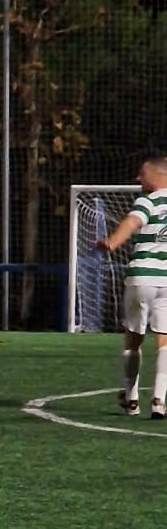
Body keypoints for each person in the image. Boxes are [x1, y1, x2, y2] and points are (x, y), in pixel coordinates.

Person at [95, 149, 167, 419]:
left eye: (143, 173)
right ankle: (159, 400)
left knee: (133, 339)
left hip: (141, 277)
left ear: (160, 174)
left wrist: (112, 242)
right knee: (164, 339)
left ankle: (131, 397)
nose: (138, 178)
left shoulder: (148, 201)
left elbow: (132, 221)